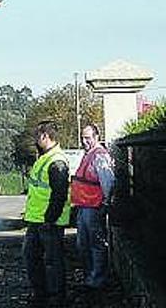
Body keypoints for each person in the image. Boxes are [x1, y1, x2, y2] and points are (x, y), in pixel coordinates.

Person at [23, 121, 71, 306]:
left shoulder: (56, 161)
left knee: (53, 261)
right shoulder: (46, 157)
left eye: (38, 136)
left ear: (45, 136)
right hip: (38, 219)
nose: (36, 140)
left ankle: (56, 297)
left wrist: (50, 219)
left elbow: (59, 195)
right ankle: (41, 294)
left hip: (48, 221)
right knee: (31, 256)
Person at [70, 123, 115, 291]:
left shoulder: (99, 155)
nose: (84, 141)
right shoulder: (88, 154)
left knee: (95, 244)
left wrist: (106, 202)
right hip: (83, 206)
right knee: (83, 244)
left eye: (87, 137)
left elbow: (108, 182)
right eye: (83, 137)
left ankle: (97, 279)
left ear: (96, 137)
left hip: (94, 206)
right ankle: (90, 276)